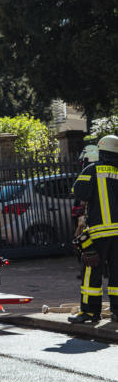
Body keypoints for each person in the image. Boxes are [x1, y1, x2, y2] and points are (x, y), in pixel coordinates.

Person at [68, 134, 118, 324]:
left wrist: (85, 170)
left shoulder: (93, 169)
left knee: (91, 270)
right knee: (117, 272)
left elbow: (78, 192)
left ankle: (90, 312)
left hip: (100, 231)